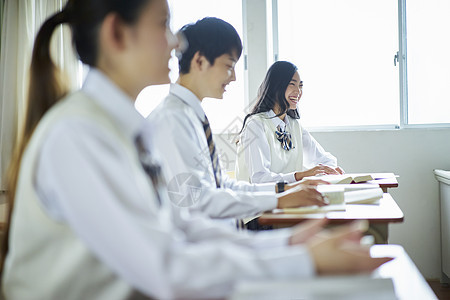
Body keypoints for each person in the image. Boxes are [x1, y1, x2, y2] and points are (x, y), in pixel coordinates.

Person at [1, 1, 391, 299]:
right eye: (162, 25)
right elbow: (164, 260)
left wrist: (286, 243)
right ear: (117, 34)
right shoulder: (80, 135)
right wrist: (298, 258)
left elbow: (176, 223)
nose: (175, 42)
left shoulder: (120, 130)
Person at [147, 17, 327, 226]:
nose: (233, 77)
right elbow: (199, 202)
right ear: (199, 61)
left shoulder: (192, 116)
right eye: (229, 66)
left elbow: (221, 185)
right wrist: (279, 199)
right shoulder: (173, 120)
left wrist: (283, 191)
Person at [236, 61, 344, 184]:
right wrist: (301, 175)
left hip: (289, 197)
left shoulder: (294, 126)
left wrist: (328, 170)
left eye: (301, 86)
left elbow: (325, 159)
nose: (298, 91)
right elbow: (260, 179)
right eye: (292, 84)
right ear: (276, 86)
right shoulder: (255, 125)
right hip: (260, 200)